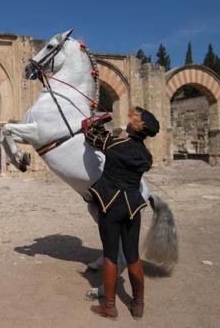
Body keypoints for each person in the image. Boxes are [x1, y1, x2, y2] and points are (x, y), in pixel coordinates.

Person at [83, 106, 160, 320]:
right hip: (133, 207)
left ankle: (109, 306)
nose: (127, 122)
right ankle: (138, 305)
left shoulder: (116, 144)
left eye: (131, 120)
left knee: (110, 256)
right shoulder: (146, 156)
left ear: (134, 126)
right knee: (133, 257)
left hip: (111, 206)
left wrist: (99, 119)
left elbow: (91, 135)